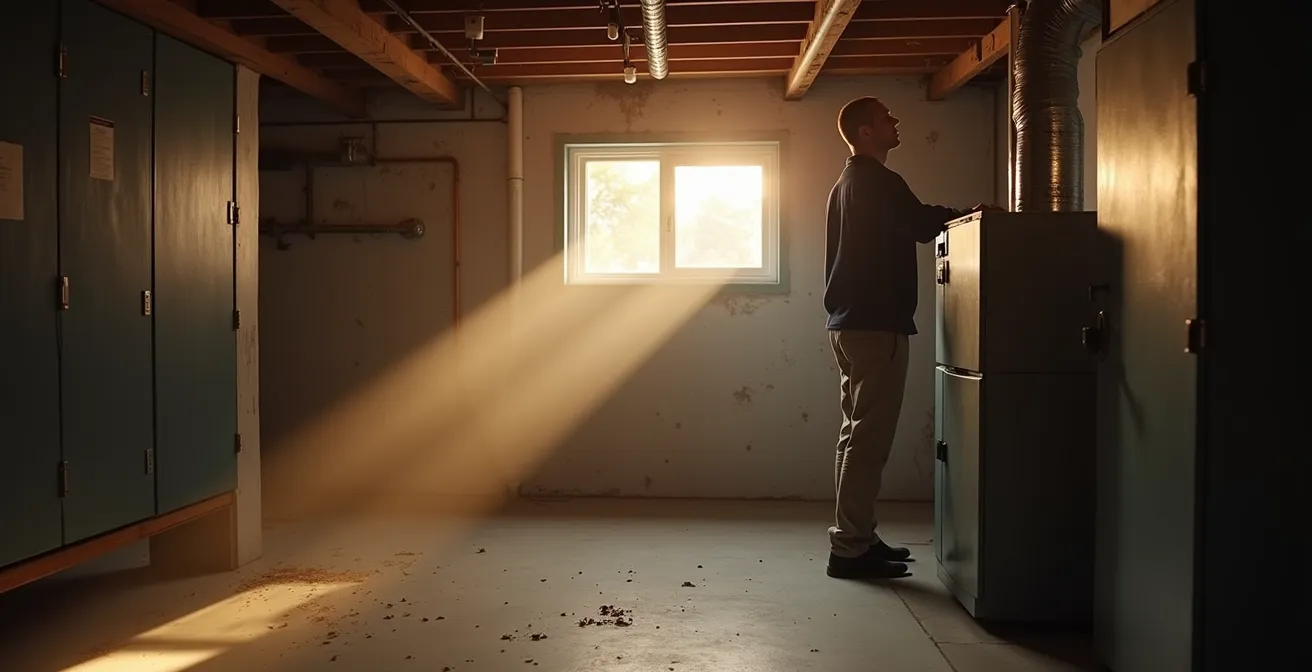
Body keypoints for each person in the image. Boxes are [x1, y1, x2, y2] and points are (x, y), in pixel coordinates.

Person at [822, 96, 997, 580]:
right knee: (868, 440)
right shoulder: (875, 180)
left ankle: (855, 535)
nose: (895, 121)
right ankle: (851, 549)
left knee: (854, 435)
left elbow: (911, 222)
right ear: (863, 132)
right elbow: (921, 223)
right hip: (876, 326)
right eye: (885, 118)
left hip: (851, 324)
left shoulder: (847, 183)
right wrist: (973, 215)